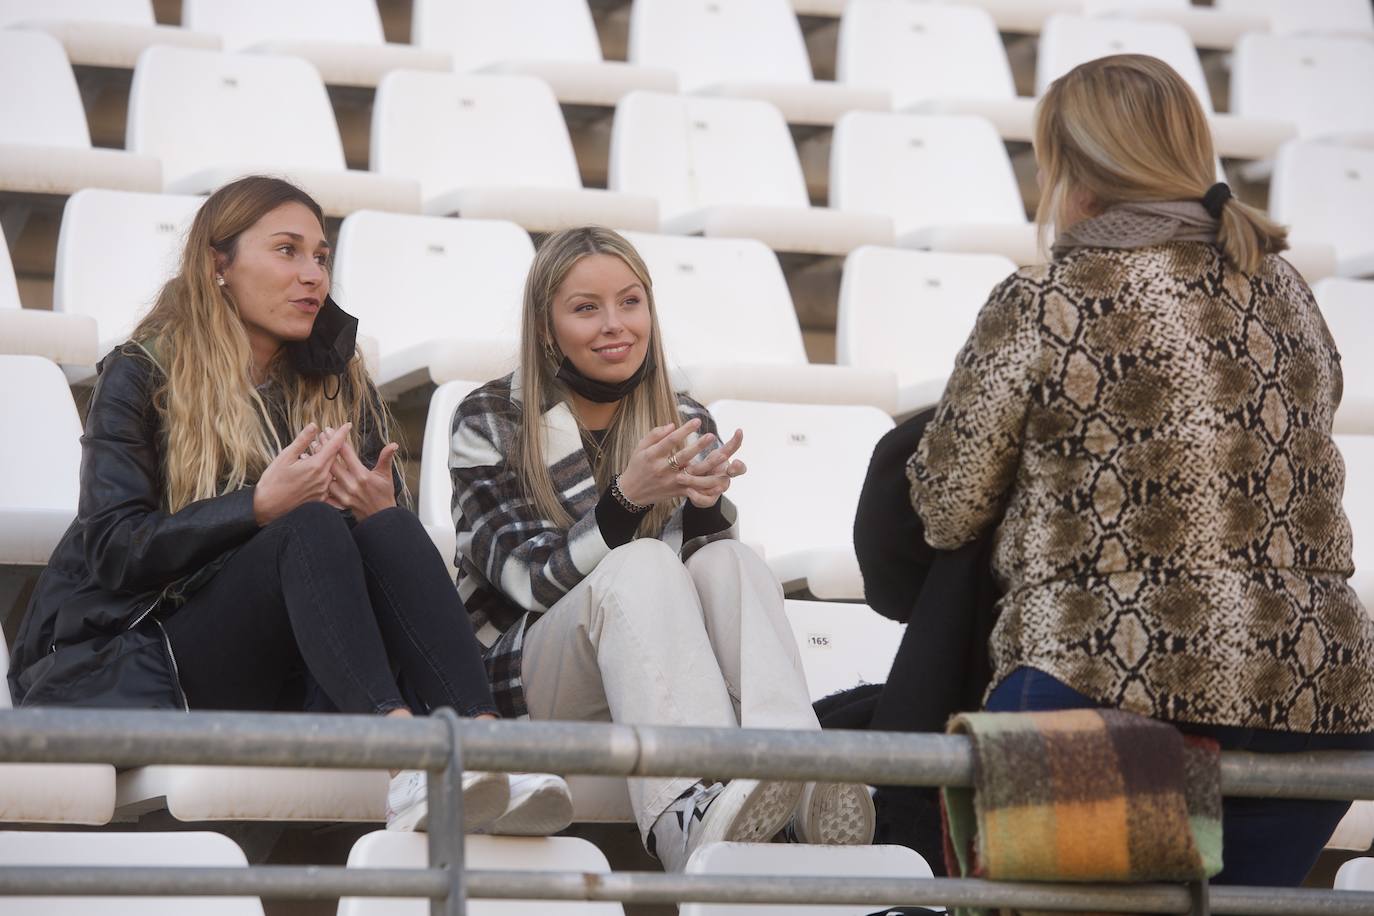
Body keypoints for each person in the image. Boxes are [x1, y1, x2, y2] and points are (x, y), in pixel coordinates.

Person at [907, 54, 1374, 886]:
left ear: (1072, 166)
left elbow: (945, 507)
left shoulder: (1048, 296)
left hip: (1108, 676)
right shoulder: (1290, 290)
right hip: (1317, 693)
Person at [7, 176, 570, 836]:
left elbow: (377, 563)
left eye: (321, 256)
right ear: (219, 265)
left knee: (383, 524)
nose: (312, 276)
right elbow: (113, 548)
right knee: (301, 523)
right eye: (286, 251)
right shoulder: (141, 373)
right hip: (149, 650)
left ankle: (485, 745)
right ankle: (407, 757)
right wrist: (255, 508)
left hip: (299, 655)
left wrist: (378, 506)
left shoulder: (336, 377)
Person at [448, 226, 876, 870]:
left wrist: (706, 510)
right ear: (545, 327)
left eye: (630, 302)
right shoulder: (488, 418)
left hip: (657, 679)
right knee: (641, 560)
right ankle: (685, 805)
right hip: (529, 676)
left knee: (732, 560)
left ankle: (799, 773)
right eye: (586, 308)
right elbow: (529, 581)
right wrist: (624, 501)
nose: (616, 325)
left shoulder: (681, 416)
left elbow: (704, 602)